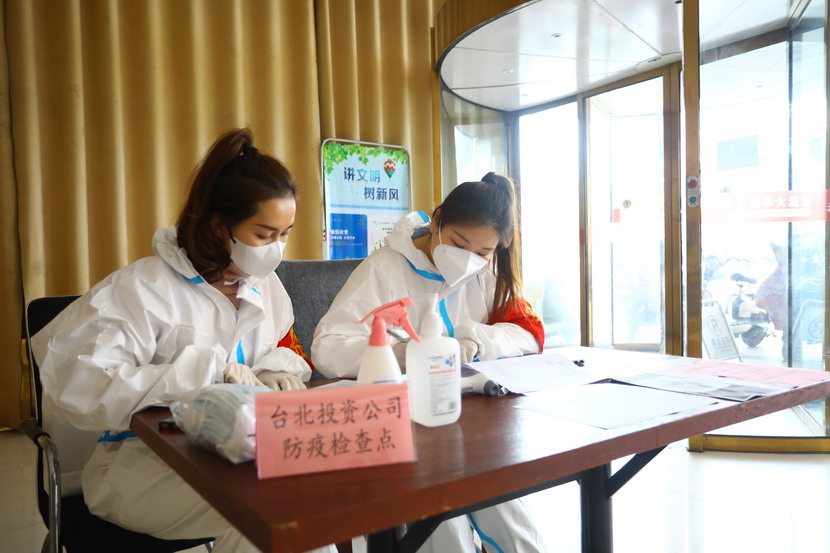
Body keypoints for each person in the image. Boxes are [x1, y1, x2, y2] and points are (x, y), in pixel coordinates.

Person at [32, 128, 335, 553]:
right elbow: (78, 385)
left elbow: (285, 347)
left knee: (308, 498)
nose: (276, 250)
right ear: (218, 225)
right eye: (264, 234)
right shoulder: (143, 288)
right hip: (146, 468)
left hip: (244, 453)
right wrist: (205, 374)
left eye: (284, 234)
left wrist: (273, 370)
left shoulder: (264, 285)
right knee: (275, 507)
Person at [312, 172, 547, 552]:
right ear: (436, 220)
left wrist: (476, 338)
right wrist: (397, 353)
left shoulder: (487, 273)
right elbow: (328, 346)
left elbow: (529, 333)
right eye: (458, 243)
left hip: (473, 425)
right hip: (408, 429)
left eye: (483, 252)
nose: (468, 259)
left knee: (513, 520)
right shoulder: (385, 268)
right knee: (443, 528)